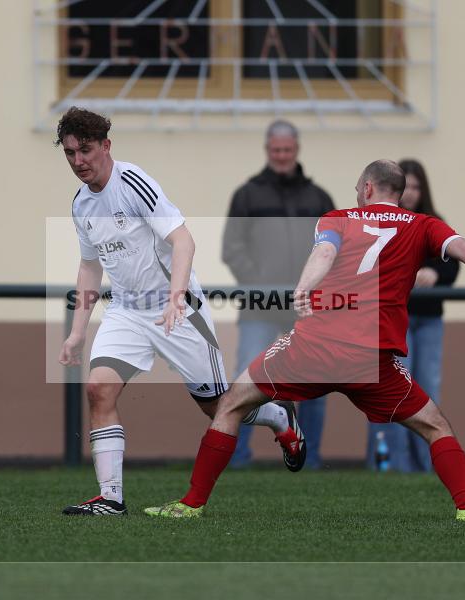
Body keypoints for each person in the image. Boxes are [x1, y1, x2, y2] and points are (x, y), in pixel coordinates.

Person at [145, 159, 465, 521]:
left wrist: (304, 287)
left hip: (314, 347)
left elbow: (324, 254)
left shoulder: (339, 218)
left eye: (358, 188)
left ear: (368, 188)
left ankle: (190, 504)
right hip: (371, 360)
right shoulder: (425, 225)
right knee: (435, 425)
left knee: (231, 404)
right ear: (400, 193)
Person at [55, 107, 305, 516]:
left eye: (86, 150)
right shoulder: (82, 204)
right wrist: (77, 332)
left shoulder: (132, 183)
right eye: (70, 153)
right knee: (98, 389)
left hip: (178, 309)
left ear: (106, 146)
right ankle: (111, 498)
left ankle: (279, 416)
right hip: (127, 312)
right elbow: (89, 267)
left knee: (218, 407)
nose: (78, 161)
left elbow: (183, 240)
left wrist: (175, 298)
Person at [222, 119, 335, 469]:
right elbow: (232, 248)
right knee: (247, 382)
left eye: (287, 150)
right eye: (276, 150)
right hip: (259, 308)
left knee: (315, 384)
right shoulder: (247, 195)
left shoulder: (318, 198)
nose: (282, 156)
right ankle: (237, 458)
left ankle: (309, 459)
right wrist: (260, 283)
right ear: (267, 151)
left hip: (307, 309)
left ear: (296, 150)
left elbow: (334, 249)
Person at [366, 159, 458, 472]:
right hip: (393, 321)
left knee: (428, 388)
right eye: (406, 186)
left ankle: (427, 465)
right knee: (393, 391)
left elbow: (454, 262)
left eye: (417, 186)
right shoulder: (381, 222)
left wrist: (435, 273)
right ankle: (393, 465)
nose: (411, 193)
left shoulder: (433, 222)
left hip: (428, 319)